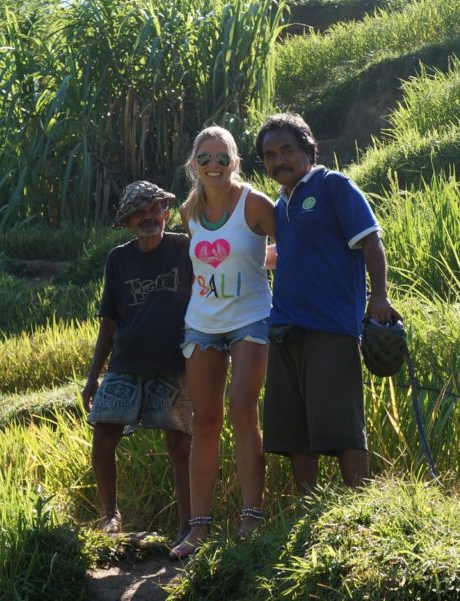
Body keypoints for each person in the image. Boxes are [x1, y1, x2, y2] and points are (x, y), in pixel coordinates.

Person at [255, 113, 400, 495]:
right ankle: (308, 510)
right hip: (284, 328)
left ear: (308, 149)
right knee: (295, 433)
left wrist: (379, 297)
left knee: (342, 428)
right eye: (270, 155)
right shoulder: (279, 205)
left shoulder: (333, 185)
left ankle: (358, 509)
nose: (279, 160)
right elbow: (289, 254)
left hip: (330, 328)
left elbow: (371, 242)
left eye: (287, 149)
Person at [169, 126, 276, 558]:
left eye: (222, 157)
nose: (214, 165)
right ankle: (199, 529)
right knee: (205, 421)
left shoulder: (256, 204)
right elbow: (205, 262)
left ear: (236, 162)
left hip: (251, 319)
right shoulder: (188, 211)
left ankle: (252, 517)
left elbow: (287, 248)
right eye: (205, 158)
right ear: (193, 164)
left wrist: (270, 269)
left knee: (243, 409)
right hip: (202, 324)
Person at [81, 180, 194, 547]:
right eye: (140, 212)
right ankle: (110, 515)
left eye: (155, 209)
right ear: (128, 220)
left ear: (165, 211)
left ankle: (187, 525)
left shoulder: (185, 249)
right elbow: (109, 321)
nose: (149, 217)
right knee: (104, 433)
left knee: (179, 444)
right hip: (125, 363)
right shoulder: (119, 259)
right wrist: (92, 378)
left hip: (174, 363)